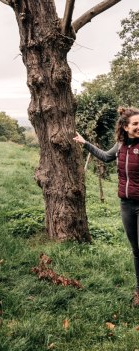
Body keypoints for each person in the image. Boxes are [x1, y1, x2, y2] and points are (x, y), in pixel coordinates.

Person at [74, 106, 139, 305]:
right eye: (135, 124)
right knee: (136, 250)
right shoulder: (120, 146)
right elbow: (104, 156)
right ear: (125, 127)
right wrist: (85, 144)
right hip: (126, 204)